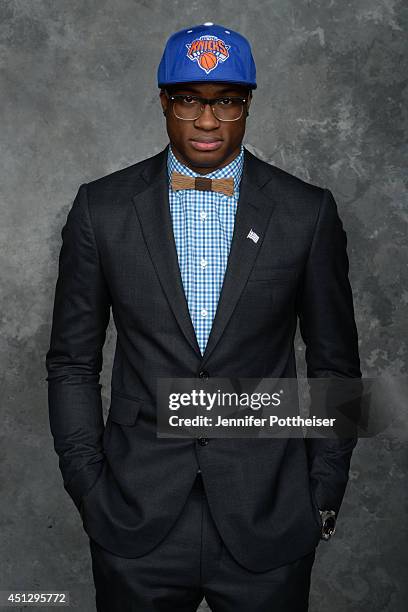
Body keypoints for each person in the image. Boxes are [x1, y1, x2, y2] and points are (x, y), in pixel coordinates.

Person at [45, 22, 361, 612]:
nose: (207, 120)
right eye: (189, 99)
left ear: (248, 104)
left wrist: (321, 492)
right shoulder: (102, 208)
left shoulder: (306, 212)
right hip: (134, 519)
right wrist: (87, 486)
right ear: (164, 100)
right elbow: (70, 363)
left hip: (268, 517)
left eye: (227, 102)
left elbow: (336, 367)